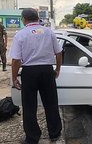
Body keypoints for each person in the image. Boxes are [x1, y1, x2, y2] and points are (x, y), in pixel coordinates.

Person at [10, 8, 62, 144]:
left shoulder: (20, 35)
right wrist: (57, 69)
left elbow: (16, 60)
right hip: (47, 71)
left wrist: (14, 78)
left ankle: (32, 137)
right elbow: (58, 53)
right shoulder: (49, 32)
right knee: (51, 103)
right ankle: (54, 133)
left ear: (24, 19)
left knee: (29, 106)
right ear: (37, 18)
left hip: (29, 73)